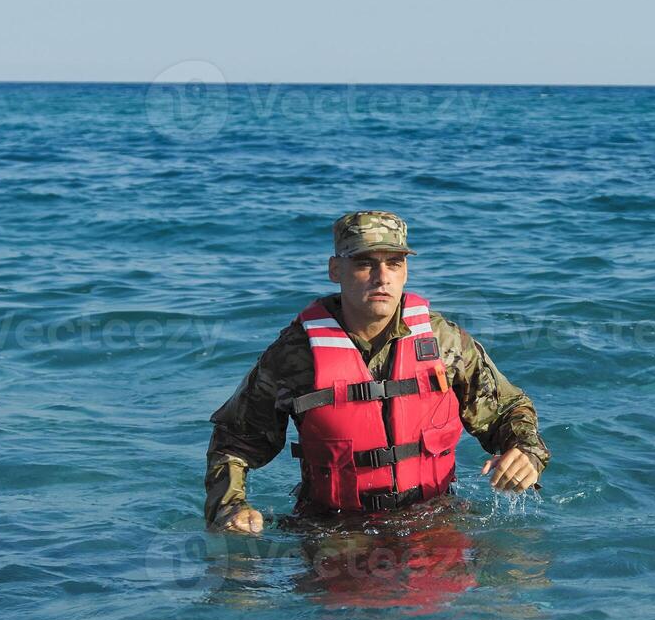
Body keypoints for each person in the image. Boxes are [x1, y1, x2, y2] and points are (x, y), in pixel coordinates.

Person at [205, 211, 551, 534]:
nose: (382, 277)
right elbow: (234, 440)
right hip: (335, 529)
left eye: (394, 263)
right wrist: (230, 506)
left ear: (405, 272)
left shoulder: (444, 342)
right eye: (364, 263)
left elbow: (508, 408)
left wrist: (526, 450)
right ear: (335, 270)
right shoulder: (294, 356)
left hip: (435, 519)